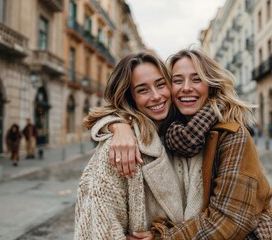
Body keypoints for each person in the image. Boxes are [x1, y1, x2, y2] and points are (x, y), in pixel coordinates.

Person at [105, 49, 272, 239]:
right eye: (178, 80)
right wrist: (118, 125)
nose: (186, 87)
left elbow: (231, 220)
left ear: (211, 86)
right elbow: (111, 110)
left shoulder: (232, 135)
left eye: (197, 79)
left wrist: (163, 238)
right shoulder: (169, 129)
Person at [74, 51, 197, 239]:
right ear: (130, 97)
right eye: (142, 90)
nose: (156, 96)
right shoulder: (118, 149)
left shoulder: (183, 135)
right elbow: (102, 229)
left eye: (160, 84)